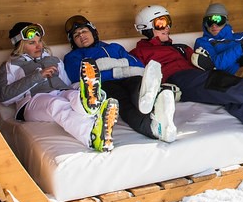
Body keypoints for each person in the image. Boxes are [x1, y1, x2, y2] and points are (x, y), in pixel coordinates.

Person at [129, 4, 243, 142]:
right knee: (219, 83)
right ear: (146, 28)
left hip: (196, 77)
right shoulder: (139, 53)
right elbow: (142, 78)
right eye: (160, 24)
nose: (167, 27)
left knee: (224, 95)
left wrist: (203, 62)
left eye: (168, 22)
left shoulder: (181, 47)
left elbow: (202, 63)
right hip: (178, 80)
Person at [0, 21, 118, 152]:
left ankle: (91, 103)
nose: (39, 46)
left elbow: (66, 85)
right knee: (56, 104)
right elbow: (4, 97)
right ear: (20, 45)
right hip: (32, 101)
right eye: (32, 43)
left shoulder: (54, 60)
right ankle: (92, 136)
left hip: (60, 92)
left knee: (74, 95)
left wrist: (77, 88)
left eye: (40, 41)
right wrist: (38, 76)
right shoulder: (10, 65)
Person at [62, 15, 176, 143]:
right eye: (76, 35)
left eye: (84, 31)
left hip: (129, 77)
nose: (81, 36)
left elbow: (137, 64)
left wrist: (101, 66)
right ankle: (152, 127)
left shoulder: (114, 47)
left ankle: (148, 98)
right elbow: (79, 75)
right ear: (73, 41)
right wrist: (118, 68)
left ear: (93, 32)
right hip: (105, 83)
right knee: (122, 102)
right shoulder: (72, 56)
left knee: (137, 84)